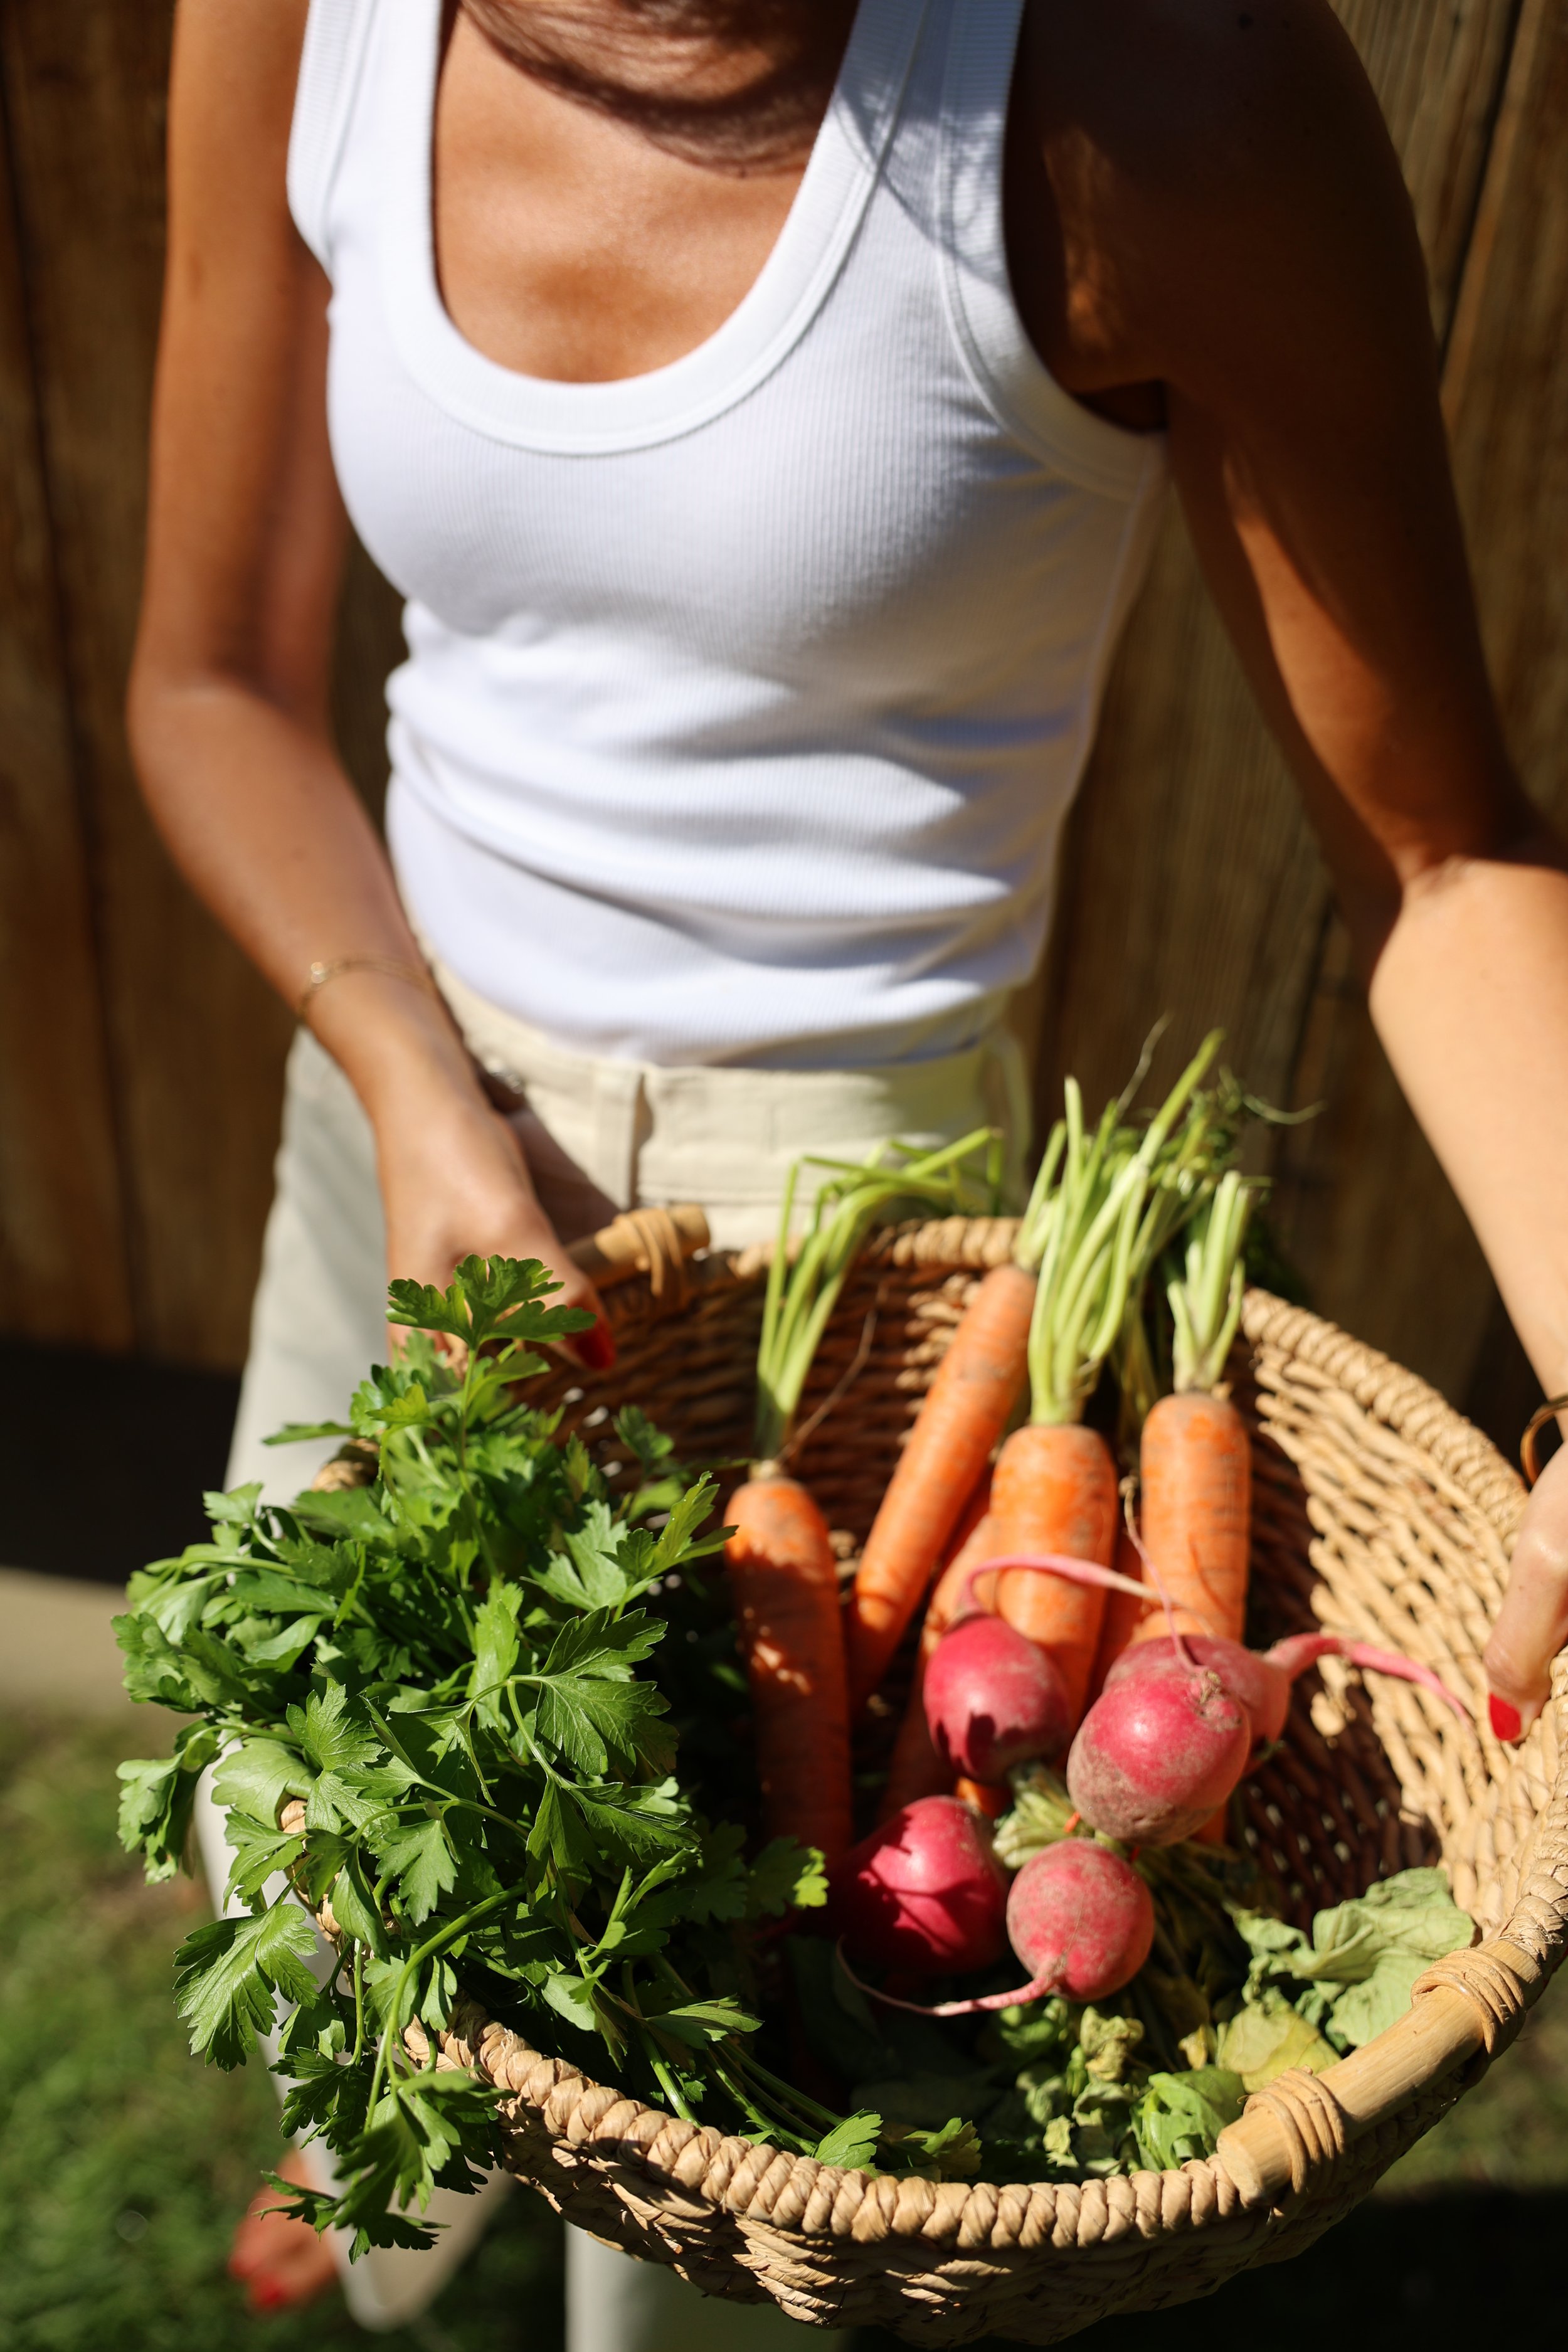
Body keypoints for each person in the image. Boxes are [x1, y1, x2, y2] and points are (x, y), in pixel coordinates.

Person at [128, 0, 1568, 2331]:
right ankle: (379, 2151)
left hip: (861, 1287)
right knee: (325, 1856)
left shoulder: (1154, 84)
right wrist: (410, 1095)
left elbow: (1438, 855)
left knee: (735, 2098)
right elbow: (204, 677)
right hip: (391, 1124)